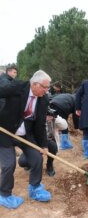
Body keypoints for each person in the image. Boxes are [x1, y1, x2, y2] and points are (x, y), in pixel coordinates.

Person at [0, 70, 52, 209]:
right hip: (5, 132)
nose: (47, 91)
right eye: (45, 87)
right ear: (34, 84)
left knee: (37, 158)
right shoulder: (17, 88)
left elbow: (40, 123)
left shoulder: (43, 99)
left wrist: (44, 145)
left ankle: (35, 188)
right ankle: (4, 195)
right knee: (9, 164)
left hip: (25, 134)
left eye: (48, 88)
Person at [18, 107, 68, 177]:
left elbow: (64, 126)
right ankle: (30, 164)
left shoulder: (53, 120)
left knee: (53, 146)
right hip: (34, 143)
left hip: (48, 142)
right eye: (48, 116)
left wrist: (55, 117)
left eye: (51, 117)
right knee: (22, 162)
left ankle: (49, 165)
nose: (50, 118)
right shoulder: (33, 119)